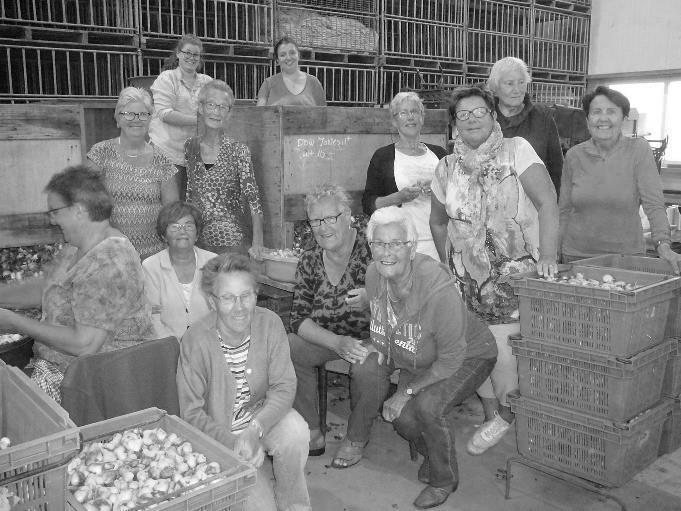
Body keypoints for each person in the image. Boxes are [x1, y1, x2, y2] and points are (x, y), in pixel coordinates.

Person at [430, 84, 559, 456]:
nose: (471, 120)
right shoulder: (446, 167)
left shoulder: (516, 151)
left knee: (503, 353)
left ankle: (507, 412)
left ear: (493, 115)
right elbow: (438, 222)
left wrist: (548, 254)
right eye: (462, 115)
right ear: (454, 124)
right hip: (466, 277)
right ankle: (492, 415)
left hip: (513, 275)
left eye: (478, 112)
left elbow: (548, 202)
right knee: (476, 349)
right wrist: (445, 263)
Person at [354, 206, 497, 509]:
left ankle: (444, 480)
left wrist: (406, 390)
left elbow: (450, 361)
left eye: (396, 244)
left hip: (468, 354)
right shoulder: (373, 276)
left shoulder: (438, 291)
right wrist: (379, 348)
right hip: (418, 354)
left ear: (412, 247)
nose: (386, 253)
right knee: (402, 418)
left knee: (428, 406)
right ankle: (434, 451)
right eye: (379, 244)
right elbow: (385, 320)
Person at [0, 166, 153, 402]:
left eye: (55, 211)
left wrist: (14, 322)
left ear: (79, 211)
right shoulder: (79, 245)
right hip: (60, 369)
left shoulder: (110, 261)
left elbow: (85, 344)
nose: (51, 220)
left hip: (97, 384)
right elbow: (48, 287)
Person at [176, 254, 310, 511]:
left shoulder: (269, 323)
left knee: (295, 432)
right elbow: (191, 412)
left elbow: (284, 385)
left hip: (261, 418)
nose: (239, 307)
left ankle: (294, 504)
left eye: (246, 295)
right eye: (227, 298)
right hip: (219, 434)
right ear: (212, 302)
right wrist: (232, 443)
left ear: (256, 295)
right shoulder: (195, 341)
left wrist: (255, 429)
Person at [287, 185, 372, 468]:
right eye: (315, 221)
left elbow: (403, 301)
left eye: (330, 219)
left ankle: (356, 438)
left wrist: (373, 301)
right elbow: (299, 319)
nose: (322, 228)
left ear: (347, 215)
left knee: (367, 366)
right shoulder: (310, 259)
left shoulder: (373, 250)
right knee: (290, 346)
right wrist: (336, 343)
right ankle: (312, 431)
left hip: (372, 337)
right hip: (329, 339)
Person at [559, 85, 681, 272]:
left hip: (626, 259)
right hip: (576, 257)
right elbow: (564, 211)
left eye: (611, 112)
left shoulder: (638, 150)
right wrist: (552, 253)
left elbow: (654, 204)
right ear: (587, 119)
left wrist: (662, 243)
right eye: (596, 112)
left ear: (623, 118)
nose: (603, 118)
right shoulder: (574, 156)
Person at [87, 86, 179, 259]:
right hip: (110, 255)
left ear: (150, 119)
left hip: (152, 257)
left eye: (143, 114)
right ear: (117, 119)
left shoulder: (163, 161)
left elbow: (171, 215)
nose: (136, 119)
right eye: (128, 113)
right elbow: (85, 205)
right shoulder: (100, 154)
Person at [362, 92, 447, 260]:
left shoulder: (440, 154)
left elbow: (456, 194)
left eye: (415, 111)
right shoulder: (383, 156)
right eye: (403, 113)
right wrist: (399, 197)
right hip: (403, 246)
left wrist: (438, 189)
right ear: (394, 121)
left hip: (440, 243)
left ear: (422, 117)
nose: (410, 117)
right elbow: (368, 204)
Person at [184, 80, 264, 256]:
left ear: (229, 113)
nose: (216, 112)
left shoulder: (239, 151)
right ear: (201, 108)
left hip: (233, 241)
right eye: (211, 105)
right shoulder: (190, 147)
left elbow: (253, 199)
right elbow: (190, 194)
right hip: (200, 240)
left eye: (223, 107)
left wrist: (258, 242)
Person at [487, 57, 563, 196]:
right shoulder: (486, 117)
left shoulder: (543, 118)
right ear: (495, 88)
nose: (517, 90)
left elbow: (557, 168)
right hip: (493, 202)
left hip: (534, 203)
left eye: (521, 82)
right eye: (509, 83)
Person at [148, 34, 213, 195]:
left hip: (194, 155)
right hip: (167, 151)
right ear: (178, 54)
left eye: (195, 54)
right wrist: (200, 121)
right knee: (170, 205)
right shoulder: (166, 78)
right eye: (187, 53)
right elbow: (164, 113)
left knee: (191, 206)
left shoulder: (207, 82)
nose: (191, 58)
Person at [142, 201, 217, 340]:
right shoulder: (151, 266)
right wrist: (173, 346)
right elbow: (153, 317)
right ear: (163, 235)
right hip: (167, 346)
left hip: (208, 343)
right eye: (175, 226)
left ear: (197, 234)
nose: (182, 231)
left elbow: (220, 309)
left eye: (188, 225)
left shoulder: (213, 262)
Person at [256, 37, 326, 107]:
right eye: (283, 55)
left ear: (298, 55)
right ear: (277, 60)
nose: (288, 58)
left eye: (292, 53)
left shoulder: (314, 83)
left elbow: (323, 115)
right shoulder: (268, 84)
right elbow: (260, 114)